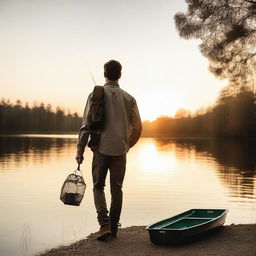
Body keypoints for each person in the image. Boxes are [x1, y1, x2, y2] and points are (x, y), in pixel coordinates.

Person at [76, 59, 142, 241]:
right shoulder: (129, 98)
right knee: (117, 189)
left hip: (100, 149)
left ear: (105, 73)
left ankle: (103, 224)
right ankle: (113, 228)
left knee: (98, 187)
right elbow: (138, 128)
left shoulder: (95, 95)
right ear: (120, 75)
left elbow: (86, 126)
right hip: (120, 150)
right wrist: (128, 145)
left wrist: (80, 151)